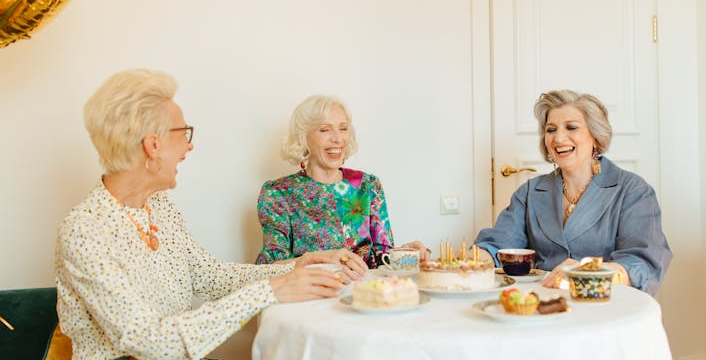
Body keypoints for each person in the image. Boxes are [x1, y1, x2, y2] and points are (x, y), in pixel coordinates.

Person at [56, 69, 367, 360]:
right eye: (183, 133)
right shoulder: (85, 230)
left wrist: (298, 265)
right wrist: (272, 291)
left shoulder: (159, 207)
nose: (188, 146)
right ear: (153, 145)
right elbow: (154, 343)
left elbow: (211, 275)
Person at [473, 89, 672, 295]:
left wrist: (585, 273)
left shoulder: (633, 190)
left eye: (571, 127)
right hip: (542, 306)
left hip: (604, 307)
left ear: (595, 136)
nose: (558, 138)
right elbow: (499, 246)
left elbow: (642, 263)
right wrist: (471, 260)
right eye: (551, 130)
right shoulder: (530, 192)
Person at [255, 95, 429, 268]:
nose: (338, 138)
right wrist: (321, 259)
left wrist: (409, 256)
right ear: (303, 137)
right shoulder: (278, 193)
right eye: (325, 130)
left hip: (365, 292)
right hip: (313, 293)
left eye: (343, 128)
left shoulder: (368, 185)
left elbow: (383, 259)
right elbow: (271, 267)